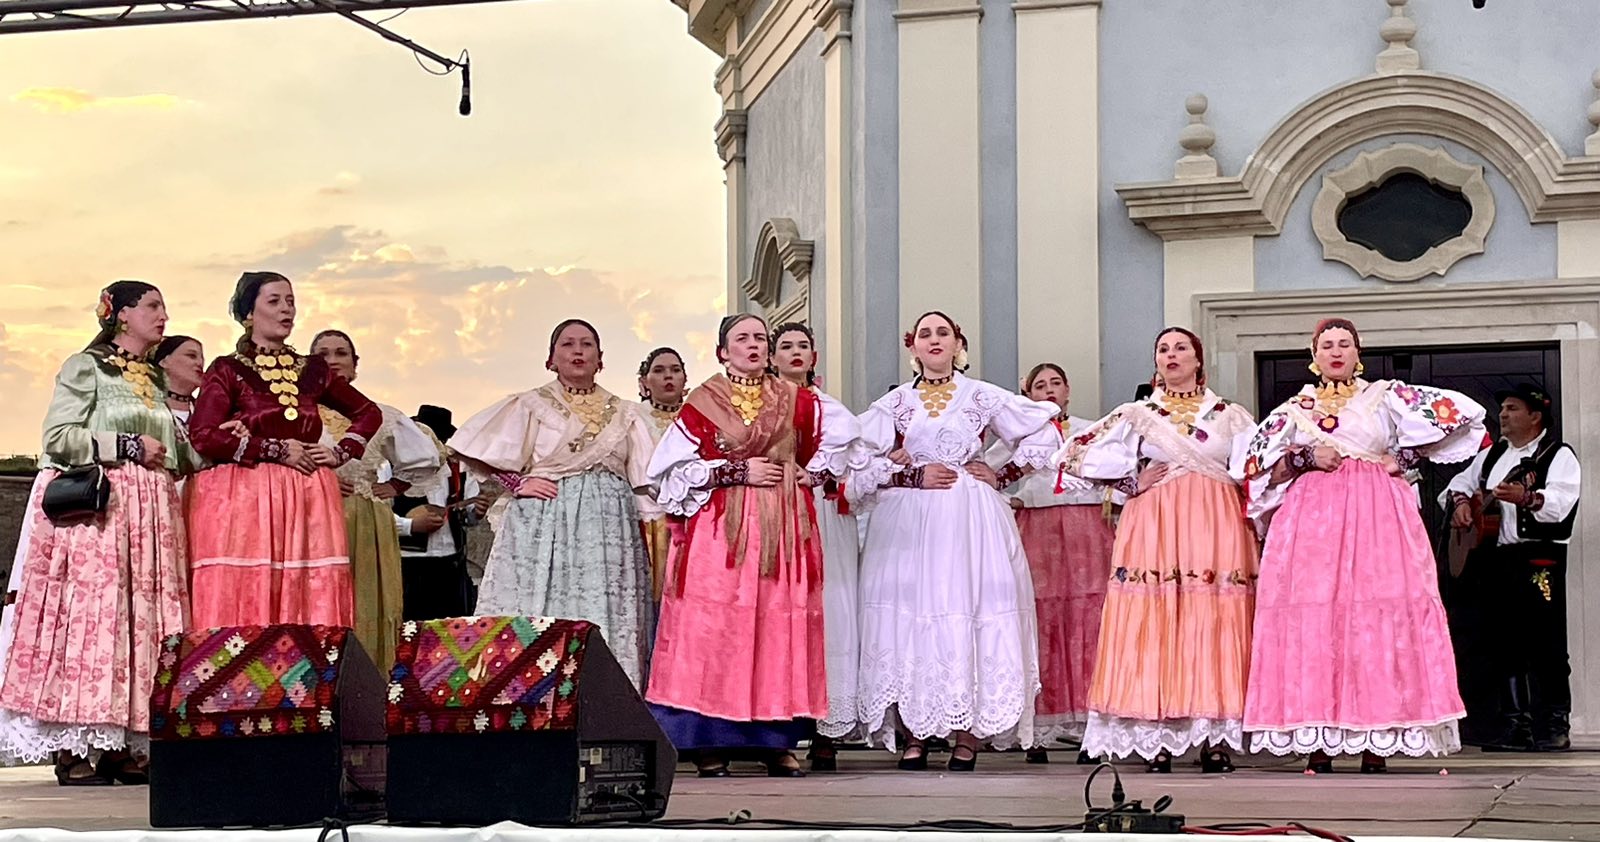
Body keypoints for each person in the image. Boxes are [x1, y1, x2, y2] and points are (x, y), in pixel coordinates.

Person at [1236, 318, 1487, 773]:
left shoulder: (1384, 396)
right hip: (1312, 521)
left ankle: (1378, 739)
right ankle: (1318, 739)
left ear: (1358, 352)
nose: (1336, 352)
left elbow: (1463, 417)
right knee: (1316, 616)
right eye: (1327, 345)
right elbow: (1254, 469)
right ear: (1314, 355)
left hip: (1377, 514)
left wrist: (1403, 457)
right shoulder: (1294, 408)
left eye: (1344, 344)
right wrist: (1305, 456)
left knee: (1376, 615)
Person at [0, 281, 196, 784]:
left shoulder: (155, 377)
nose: (163, 315)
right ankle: (73, 746)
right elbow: (58, 438)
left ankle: (120, 743)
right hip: (102, 514)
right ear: (121, 314)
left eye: (164, 306)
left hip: (151, 517)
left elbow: (179, 453)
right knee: (95, 619)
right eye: (152, 305)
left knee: (139, 623)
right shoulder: (86, 367)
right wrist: (127, 445)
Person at [852, 311, 1061, 772]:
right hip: (910, 518)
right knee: (911, 615)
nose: (934, 340)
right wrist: (903, 470)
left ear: (957, 345)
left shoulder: (980, 394)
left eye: (942, 333)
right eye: (925, 333)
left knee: (969, 608)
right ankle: (916, 733)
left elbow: (1043, 432)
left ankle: (967, 736)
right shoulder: (896, 403)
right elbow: (857, 456)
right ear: (912, 347)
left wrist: (1005, 472)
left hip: (969, 517)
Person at [645, 314, 849, 778]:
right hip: (719, 531)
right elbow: (667, 472)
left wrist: (813, 473)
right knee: (715, 627)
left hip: (783, 529)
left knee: (775, 627)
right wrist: (735, 470)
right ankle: (706, 741)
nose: (753, 345)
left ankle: (775, 741)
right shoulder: (703, 402)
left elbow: (851, 445)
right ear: (723, 352)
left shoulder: (797, 400)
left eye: (760, 338)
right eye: (742, 338)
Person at [1059, 327, 1258, 774]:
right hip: (1154, 520)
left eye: (1181, 348)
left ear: (1198, 360)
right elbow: (1073, 455)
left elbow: (1255, 466)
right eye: (1163, 349)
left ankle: (1214, 736)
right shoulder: (1139, 413)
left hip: (1215, 522)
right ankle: (1157, 734)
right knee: (1157, 617)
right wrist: (1131, 480)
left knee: (1211, 618)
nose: (1172, 355)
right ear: (1155, 362)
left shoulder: (1228, 414)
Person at [449, 319, 656, 689]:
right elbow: (476, 449)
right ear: (551, 358)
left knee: (604, 606)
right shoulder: (531, 404)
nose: (577, 351)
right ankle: (531, 694)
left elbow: (647, 478)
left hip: (608, 529)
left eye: (586, 344)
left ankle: (606, 697)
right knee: (541, 603)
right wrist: (517, 483)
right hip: (544, 521)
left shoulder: (626, 413)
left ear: (600, 358)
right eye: (567, 344)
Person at [186, 272, 382, 630]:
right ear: (249, 314)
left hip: (309, 492)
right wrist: (274, 449)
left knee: (310, 590)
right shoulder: (228, 369)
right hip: (251, 494)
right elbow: (203, 435)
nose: (286, 309)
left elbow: (368, 413)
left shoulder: (312, 370)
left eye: (290, 301)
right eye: (274, 301)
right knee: (255, 588)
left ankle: (310, 663)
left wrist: (341, 452)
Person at [991, 363, 1122, 764]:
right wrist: (1011, 500)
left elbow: (1118, 475)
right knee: (1043, 620)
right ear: (1028, 396)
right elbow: (986, 474)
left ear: (1068, 390)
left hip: (1089, 530)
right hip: (1039, 530)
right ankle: (1037, 731)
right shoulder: (1019, 437)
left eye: (1055, 383)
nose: (1048, 390)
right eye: (1039, 386)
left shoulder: (1091, 430)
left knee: (1091, 621)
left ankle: (1093, 728)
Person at [1440, 384, 1578, 752]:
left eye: (1513, 408)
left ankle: (1554, 724)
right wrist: (1460, 504)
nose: (1502, 414)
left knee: (1547, 640)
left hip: (1540, 557)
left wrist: (1528, 498)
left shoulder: (1558, 455)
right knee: (1505, 642)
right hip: (1498, 558)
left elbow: (1562, 502)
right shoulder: (1494, 454)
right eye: (1502, 408)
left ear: (1536, 416)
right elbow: (1456, 485)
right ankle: (1516, 726)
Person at [310, 329, 441, 672]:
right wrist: (315, 483)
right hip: (309, 517)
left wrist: (394, 486)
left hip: (365, 521)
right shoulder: (294, 413)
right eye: (322, 355)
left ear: (355, 365)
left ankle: (367, 681)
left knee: (364, 600)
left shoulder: (379, 414)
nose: (332, 361)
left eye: (341, 353)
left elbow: (427, 459)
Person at [770, 322, 868, 771]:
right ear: (772, 357)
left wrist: (820, 473)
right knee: (782, 612)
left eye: (803, 346)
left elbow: (854, 457)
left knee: (831, 608)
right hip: (776, 512)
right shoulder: (759, 406)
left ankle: (828, 730)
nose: (795, 352)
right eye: (785, 346)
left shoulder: (831, 409)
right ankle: (779, 727)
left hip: (822, 514)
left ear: (814, 357)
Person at [391, 405, 492, 620]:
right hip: (407, 565)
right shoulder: (390, 468)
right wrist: (411, 526)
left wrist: (475, 513)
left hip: (450, 565)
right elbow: (375, 517)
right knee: (408, 629)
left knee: (451, 630)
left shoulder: (459, 470)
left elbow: (467, 516)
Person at [635, 347, 688, 604]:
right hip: (647, 518)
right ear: (644, 382)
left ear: (685, 379)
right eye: (659, 370)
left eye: (675, 370)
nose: (668, 376)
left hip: (693, 519)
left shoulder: (699, 416)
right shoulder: (631, 417)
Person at [153, 334, 204, 427]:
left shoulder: (207, 415)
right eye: (191, 356)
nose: (200, 363)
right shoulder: (142, 406)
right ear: (164, 362)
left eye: (202, 358)